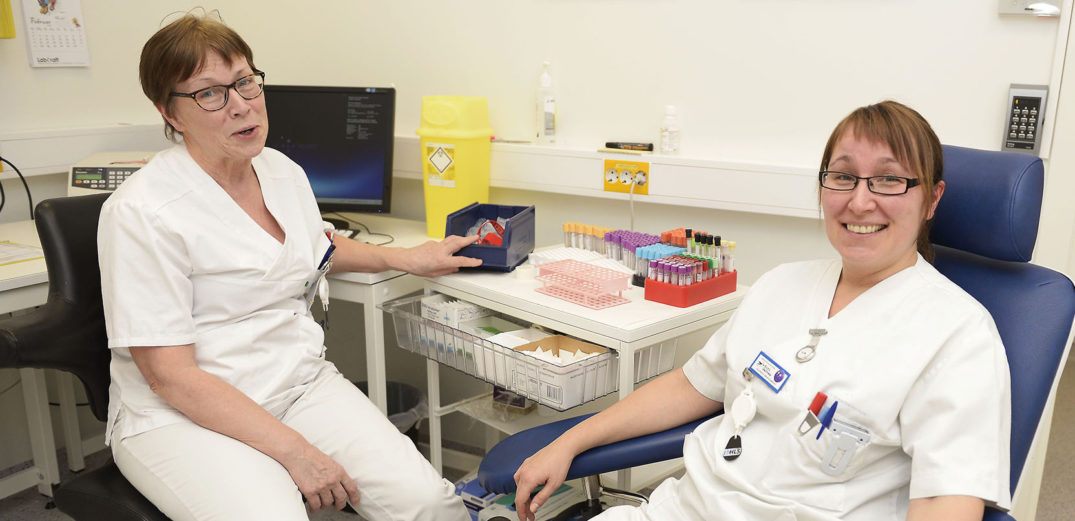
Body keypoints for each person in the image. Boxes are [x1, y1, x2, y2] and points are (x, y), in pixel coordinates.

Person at [511, 101, 1011, 521]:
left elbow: (948, 500)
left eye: (889, 180)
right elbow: (692, 385)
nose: (860, 201)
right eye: (842, 176)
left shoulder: (958, 335)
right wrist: (570, 442)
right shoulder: (782, 283)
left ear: (932, 199)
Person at [97, 12, 477, 521]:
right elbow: (171, 379)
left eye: (245, 82)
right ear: (170, 113)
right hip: (180, 417)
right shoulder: (141, 213)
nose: (240, 106)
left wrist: (404, 257)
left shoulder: (281, 172)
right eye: (210, 93)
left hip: (296, 384)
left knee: (431, 504)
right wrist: (296, 452)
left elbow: (313, 248)